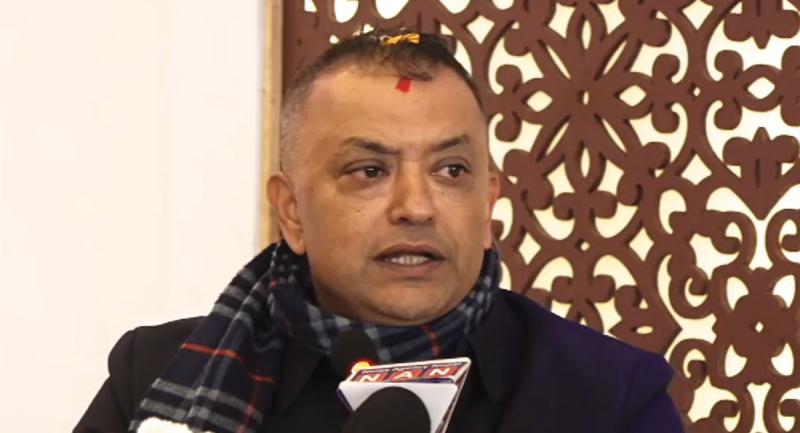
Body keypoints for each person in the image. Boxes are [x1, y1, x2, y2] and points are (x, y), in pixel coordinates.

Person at [74, 29, 685, 433]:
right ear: (291, 211)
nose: (416, 207)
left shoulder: (608, 397)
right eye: (369, 170)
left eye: (451, 171)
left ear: (489, 202)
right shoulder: (155, 375)